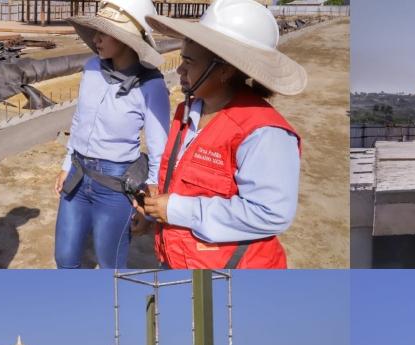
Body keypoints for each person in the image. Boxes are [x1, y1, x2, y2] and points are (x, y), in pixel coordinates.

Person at [139, 0, 307, 269]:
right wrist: (155, 216)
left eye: (189, 62)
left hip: (232, 268)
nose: (180, 70)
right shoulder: (187, 111)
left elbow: (271, 213)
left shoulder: (263, 132)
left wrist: (176, 210)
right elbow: (183, 185)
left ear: (225, 70)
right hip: (182, 259)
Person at [54, 0, 171, 269]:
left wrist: (149, 206)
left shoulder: (151, 86)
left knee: (110, 263)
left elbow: (158, 149)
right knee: (65, 257)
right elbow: (80, 120)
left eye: (104, 33)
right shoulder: (92, 68)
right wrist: (66, 165)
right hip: (78, 174)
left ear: (127, 39)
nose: (96, 39)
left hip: (115, 184)